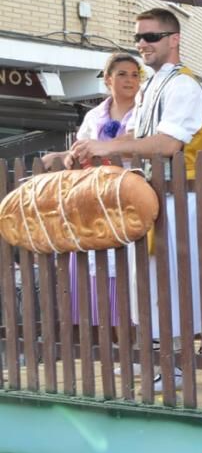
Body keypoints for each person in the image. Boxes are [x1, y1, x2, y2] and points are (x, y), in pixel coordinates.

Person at [69, 8, 202, 391]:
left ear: (174, 39)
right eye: (139, 37)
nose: (143, 44)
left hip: (176, 197)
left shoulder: (183, 85)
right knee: (151, 284)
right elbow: (139, 135)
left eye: (151, 37)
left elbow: (168, 143)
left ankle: (173, 367)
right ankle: (158, 363)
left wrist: (107, 145)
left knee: (170, 284)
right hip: (154, 196)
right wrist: (93, 149)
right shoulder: (154, 84)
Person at [42, 52, 141, 325]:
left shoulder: (144, 112)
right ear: (108, 79)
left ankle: (134, 345)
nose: (130, 80)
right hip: (94, 199)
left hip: (129, 198)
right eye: (122, 74)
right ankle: (106, 345)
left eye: (135, 75)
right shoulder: (94, 116)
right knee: (96, 269)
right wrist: (64, 156)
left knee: (130, 270)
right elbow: (80, 150)